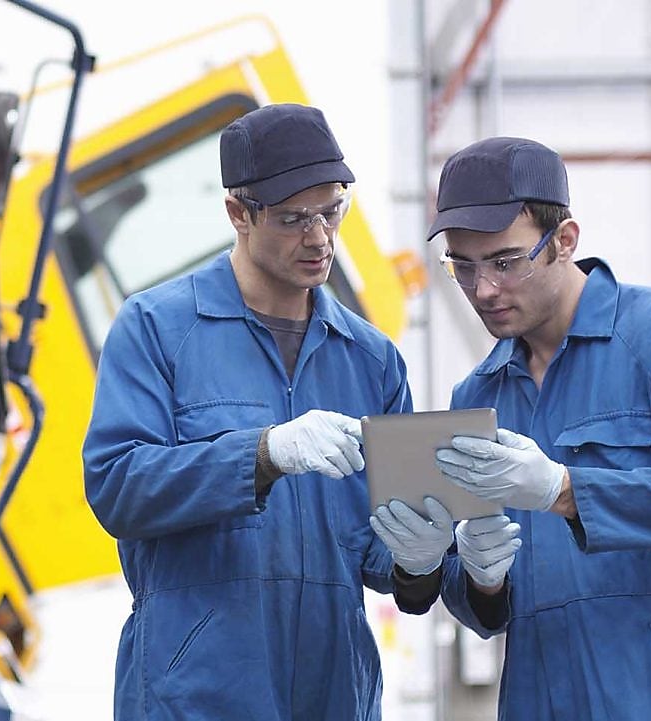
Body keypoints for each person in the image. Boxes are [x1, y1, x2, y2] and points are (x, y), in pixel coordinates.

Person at [82, 103, 415, 720]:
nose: (319, 238)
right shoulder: (157, 329)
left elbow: (378, 554)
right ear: (238, 212)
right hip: (197, 698)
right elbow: (117, 487)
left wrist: (427, 559)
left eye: (331, 210)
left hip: (333, 695)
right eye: (293, 219)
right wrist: (262, 455)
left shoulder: (373, 362)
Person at [409, 136, 651, 720]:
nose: (484, 290)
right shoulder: (477, 397)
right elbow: (484, 613)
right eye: (463, 267)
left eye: (505, 262)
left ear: (564, 240)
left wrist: (564, 491)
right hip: (540, 699)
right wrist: (476, 576)